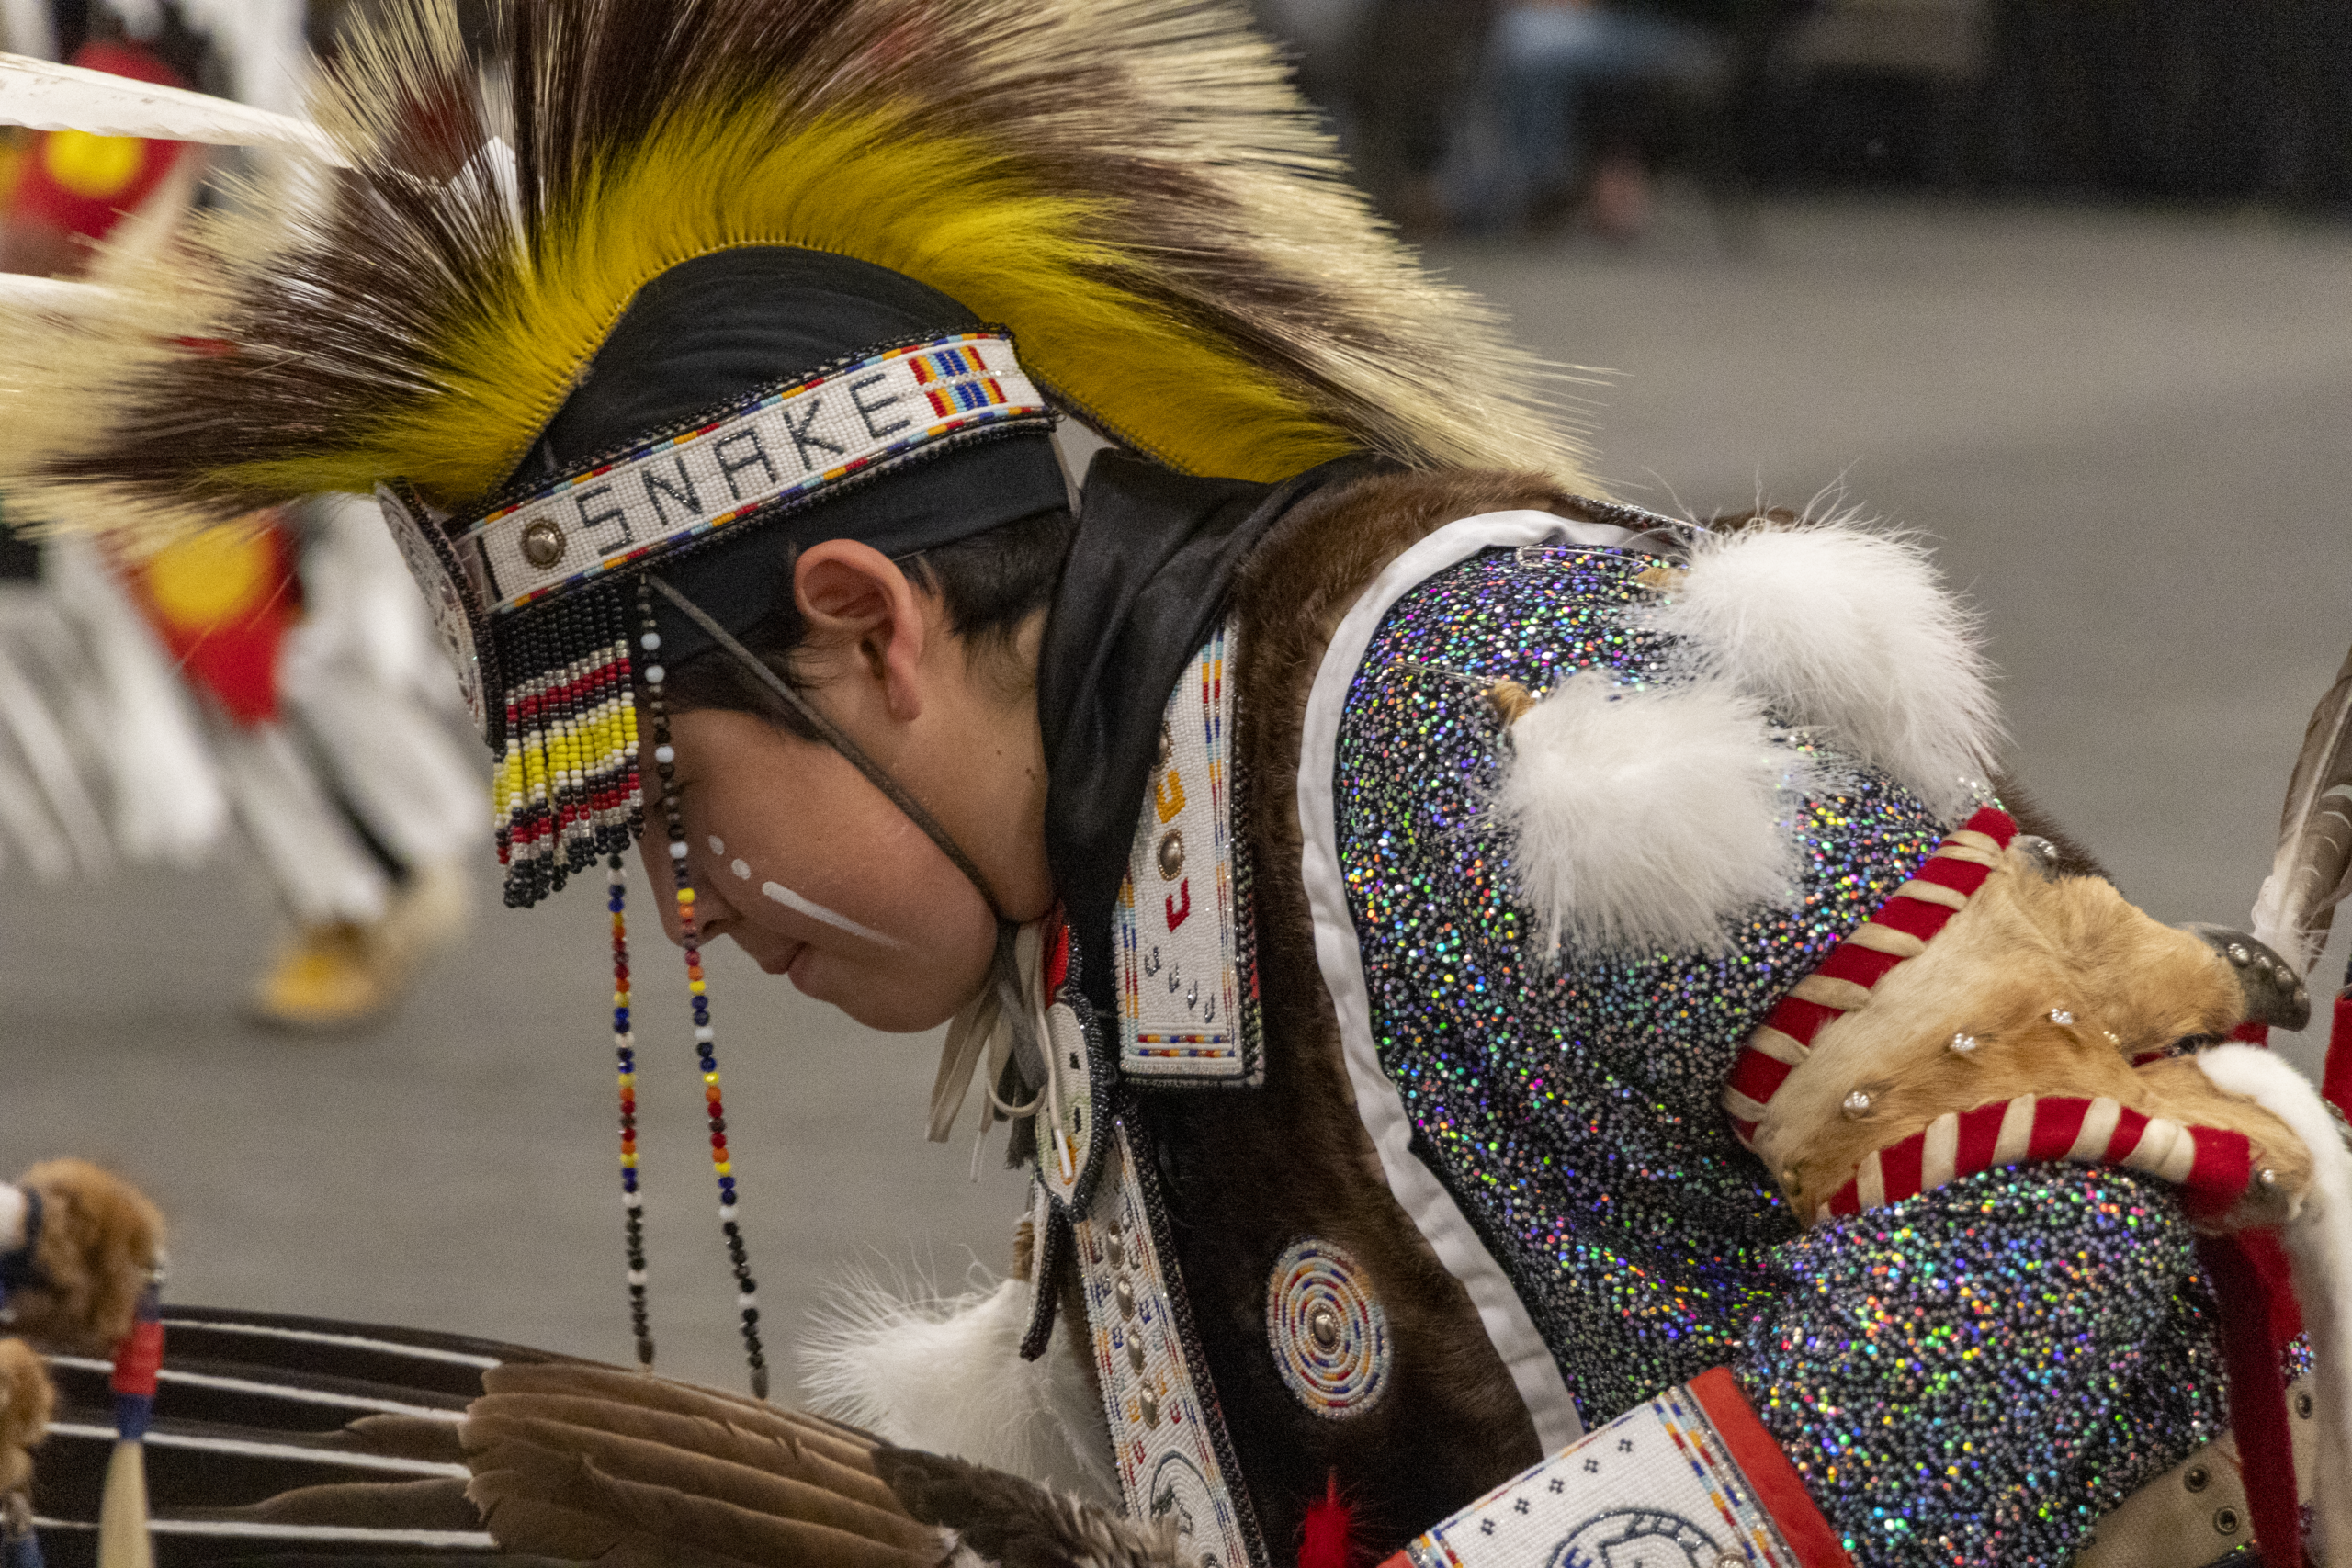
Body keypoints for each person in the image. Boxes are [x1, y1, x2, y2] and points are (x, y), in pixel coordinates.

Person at [0, 3, 2345, 1567]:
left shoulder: (1462, 713)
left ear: (867, 622)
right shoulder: (1119, 898)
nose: (688, 911)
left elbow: (2103, 1197)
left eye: (665, 803)